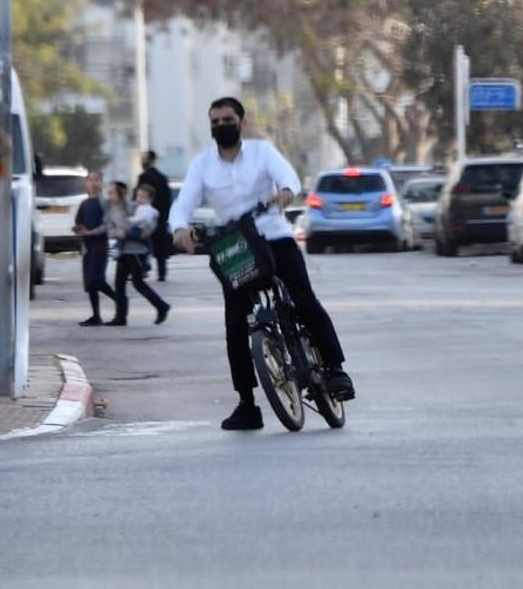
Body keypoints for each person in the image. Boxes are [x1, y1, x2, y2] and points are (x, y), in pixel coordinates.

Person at [170, 96, 354, 431]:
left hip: (274, 237)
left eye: (227, 120)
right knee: (234, 325)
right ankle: (247, 403)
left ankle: (336, 369)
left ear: (241, 122)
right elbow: (183, 203)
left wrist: (284, 194)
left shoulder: (262, 152)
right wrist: (179, 228)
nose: (221, 126)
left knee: (305, 301)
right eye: (215, 122)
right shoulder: (202, 165)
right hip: (236, 246)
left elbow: (289, 179)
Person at [107, 182, 170, 326]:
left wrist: (125, 233)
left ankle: (162, 306)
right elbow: (111, 229)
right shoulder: (114, 210)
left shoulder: (135, 208)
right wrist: (116, 233)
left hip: (136, 252)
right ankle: (120, 317)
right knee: (119, 285)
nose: (110, 196)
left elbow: (146, 231)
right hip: (123, 251)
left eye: (113, 193)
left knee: (138, 283)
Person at [72, 170, 117, 327]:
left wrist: (91, 232)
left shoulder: (104, 202)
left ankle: (119, 300)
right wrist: (78, 229)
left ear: (101, 182)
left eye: (96, 179)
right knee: (90, 283)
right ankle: (96, 315)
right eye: (90, 180)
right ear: (86, 182)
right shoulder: (84, 203)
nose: (93, 182)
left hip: (100, 246)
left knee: (97, 280)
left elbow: (107, 224)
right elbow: (78, 221)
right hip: (87, 247)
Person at [137, 150, 173, 282]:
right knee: (160, 247)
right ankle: (162, 273)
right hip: (160, 217)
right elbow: (168, 199)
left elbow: (137, 197)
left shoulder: (143, 177)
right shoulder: (162, 178)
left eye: (144, 159)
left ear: (149, 160)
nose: (142, 162)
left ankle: (141, 270)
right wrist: (165, 216)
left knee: (142, 243)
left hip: (144, 218)